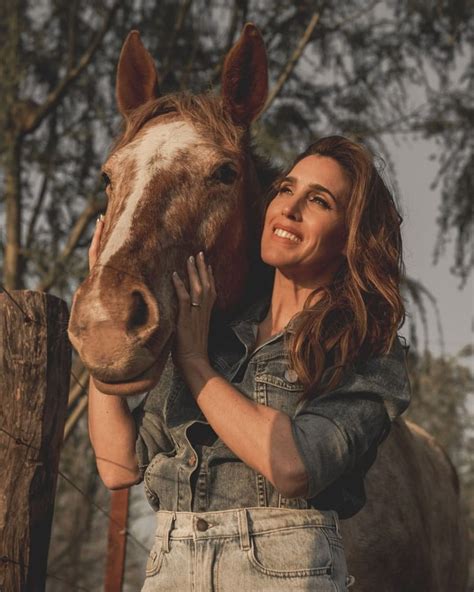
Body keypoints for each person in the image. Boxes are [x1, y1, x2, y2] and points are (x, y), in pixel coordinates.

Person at [88, 135, 411, 591]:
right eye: (285, 189)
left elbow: (293, 466)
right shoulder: (209, 328)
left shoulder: (366, 350)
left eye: (318, 201)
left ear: (349, 236)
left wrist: (197, 363)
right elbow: (118, 465)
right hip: (171, 570)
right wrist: (103, 326)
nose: (289, 209)